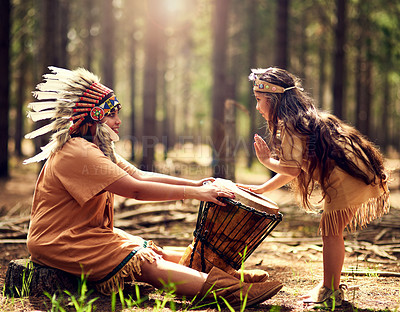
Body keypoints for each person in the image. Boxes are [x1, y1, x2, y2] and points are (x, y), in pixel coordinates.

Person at [23, 66, 283, 308]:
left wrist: (194, 183)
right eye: (112, 114)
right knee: (145, 262)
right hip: (59, 241)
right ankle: (230, 292)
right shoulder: (77, 151)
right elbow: (135, 189)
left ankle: (225, 276)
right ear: (95, 117)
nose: (118, 121)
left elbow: (140, 175)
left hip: (82, 234)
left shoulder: (95, 148)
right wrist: (195, 193)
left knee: (150, 250)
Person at [238, 67, 390, 307]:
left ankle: (331, 293)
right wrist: (263, 189)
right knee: (332, 232)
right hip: (355, 173)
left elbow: (291, 169)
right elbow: (294, 168)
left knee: (330, 232)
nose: (257, 107)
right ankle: (330, 287)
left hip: (344, 178)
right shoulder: (302, 120)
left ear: (273, 99)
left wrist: (266, 161)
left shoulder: (290, 125)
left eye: (258, 100)